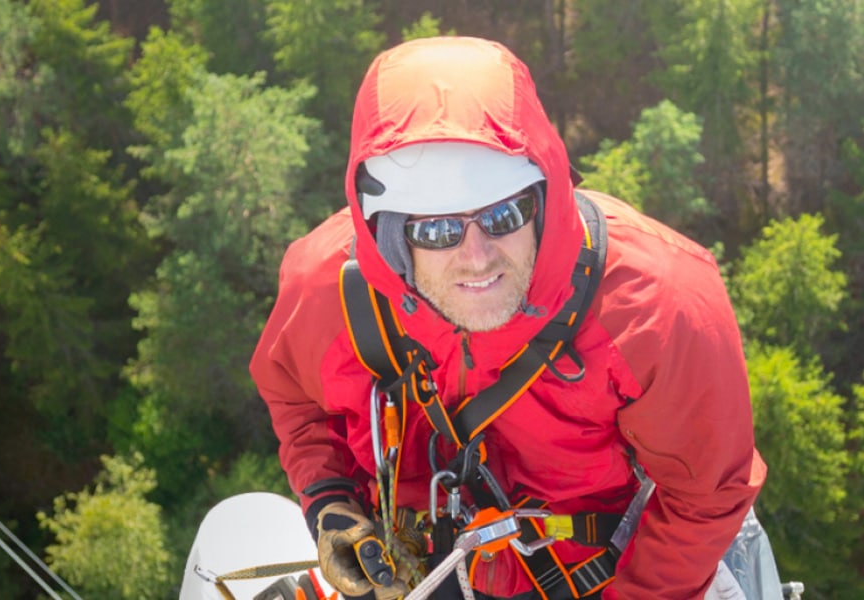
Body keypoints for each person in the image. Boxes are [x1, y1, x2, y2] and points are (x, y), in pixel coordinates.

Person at [250, 37, 767, 599]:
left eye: (504, 213)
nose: (477, 256)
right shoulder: (330, 292)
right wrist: (330, 500)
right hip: (421, 572)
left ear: (543, 199)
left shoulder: (656, 309)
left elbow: (705, 495)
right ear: (394, 239)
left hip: (614, 573)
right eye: (438, 230)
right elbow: (296, 399)